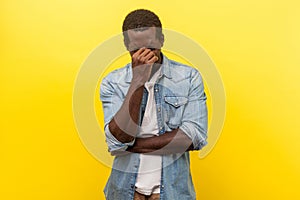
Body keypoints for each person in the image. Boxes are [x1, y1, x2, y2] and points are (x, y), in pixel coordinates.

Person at [100, 9, 208, 200]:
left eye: (150, 47)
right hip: (125, 192)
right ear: (126, 45)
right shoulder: (112, 82)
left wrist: (133, 146)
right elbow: (119, 138)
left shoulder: (189, 78)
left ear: (162, 40)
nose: (144, 55)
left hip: (172, 193)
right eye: (136, 50)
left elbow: (193, 136)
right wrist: (137, 81)